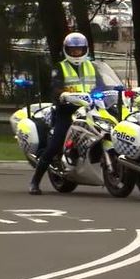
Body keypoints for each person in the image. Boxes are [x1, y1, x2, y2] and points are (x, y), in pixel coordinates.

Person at [29, 32, 96, 195]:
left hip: (89, 108)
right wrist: (63, 95)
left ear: (84, 50)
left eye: (79, 50)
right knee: (56, 143)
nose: (76, 53)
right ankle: (35, 181)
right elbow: (55, 87)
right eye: (73, 50)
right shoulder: (60, 67)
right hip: (66, 111)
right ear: (67, 50)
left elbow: (102, 83)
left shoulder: (91, 65)